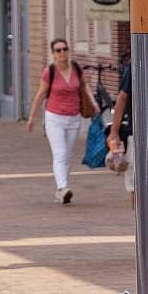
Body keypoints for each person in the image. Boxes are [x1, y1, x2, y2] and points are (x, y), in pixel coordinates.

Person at [27, 38, 98, 204]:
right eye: (58, 50)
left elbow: (83, 86)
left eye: (65, 49)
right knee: (60, 153)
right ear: (53, 54)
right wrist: (32, 117)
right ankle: (63, 187)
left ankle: (62, 189)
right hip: (54, 118)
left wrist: (93, 102)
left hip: (74, 117)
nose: (62, 53)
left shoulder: (76, 68)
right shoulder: (49, 72)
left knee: (68, 155)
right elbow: (40, 95)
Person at [107, 56, 136, 208]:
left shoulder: (137, 61)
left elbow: (122, 98)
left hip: (137, 134)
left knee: (134, 185)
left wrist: (114, 131)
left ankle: (141, 228)